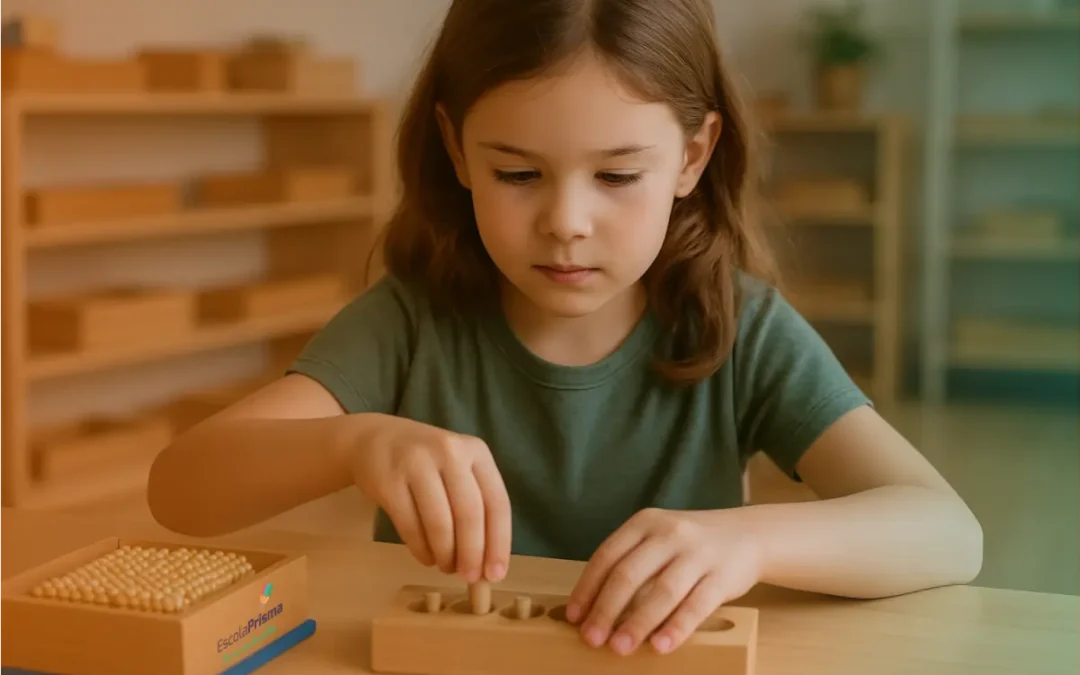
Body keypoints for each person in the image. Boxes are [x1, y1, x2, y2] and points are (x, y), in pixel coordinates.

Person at [148, 0, 983, 657]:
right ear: (456, 148)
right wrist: (352, 442)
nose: (566, 222)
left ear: (693, 156)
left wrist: (750, 541)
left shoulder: (738, 325)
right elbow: (181, 490)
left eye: (618, 174)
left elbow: (947, 532)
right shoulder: (410, 321)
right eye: (517, 172)